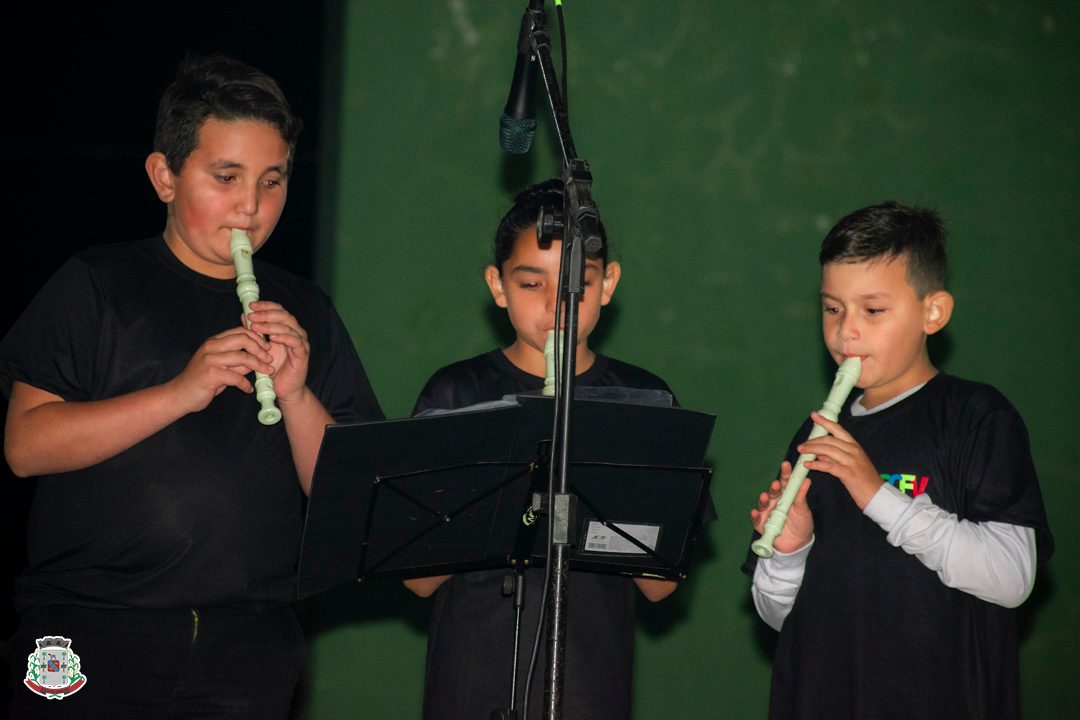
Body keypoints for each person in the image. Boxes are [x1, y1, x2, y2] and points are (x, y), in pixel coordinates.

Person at [1, 54, 382, 719]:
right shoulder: (96, 284)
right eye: (225, 177)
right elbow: (26, 445)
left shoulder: (307, 310)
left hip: (249, 639)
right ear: (165, 176)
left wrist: (294, 393)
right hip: (91, 625)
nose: (251, 206)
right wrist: (184, 389)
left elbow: (351, 499)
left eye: (273, 180)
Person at [744, 201, 1054, 719]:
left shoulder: (978, 416)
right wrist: (791, 552)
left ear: (932, 313)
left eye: (873, 310)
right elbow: (781, 620)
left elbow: (1012, 577)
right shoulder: (818, 431)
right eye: (832, 308)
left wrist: (877, 494)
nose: (847, 333)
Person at [404, 179, 699, 719]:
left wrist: (591, 481)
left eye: (576, 285)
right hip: (472, 679)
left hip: (587, 682)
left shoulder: (645, 403)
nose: (554, 306)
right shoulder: (455, 393)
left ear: (607, 283)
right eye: (530, 283)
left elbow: (660, 587)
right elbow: (418, 580)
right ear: (498, 286)